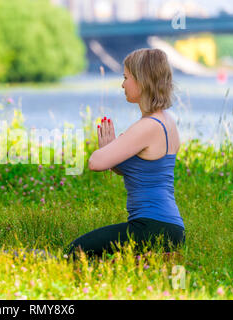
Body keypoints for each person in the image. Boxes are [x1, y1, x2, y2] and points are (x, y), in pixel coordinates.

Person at [66, 48, 185, 259]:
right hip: (170, 228)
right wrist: (113, 152)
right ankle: (146, 263)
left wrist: (107, 149)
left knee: (75, 252)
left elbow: (95, 162)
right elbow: (138, 170)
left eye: (126, 77)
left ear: (142, 80)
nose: (122, 84)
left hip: (151, 227)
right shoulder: (167, 121)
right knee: (97, 254)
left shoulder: (147, 126)